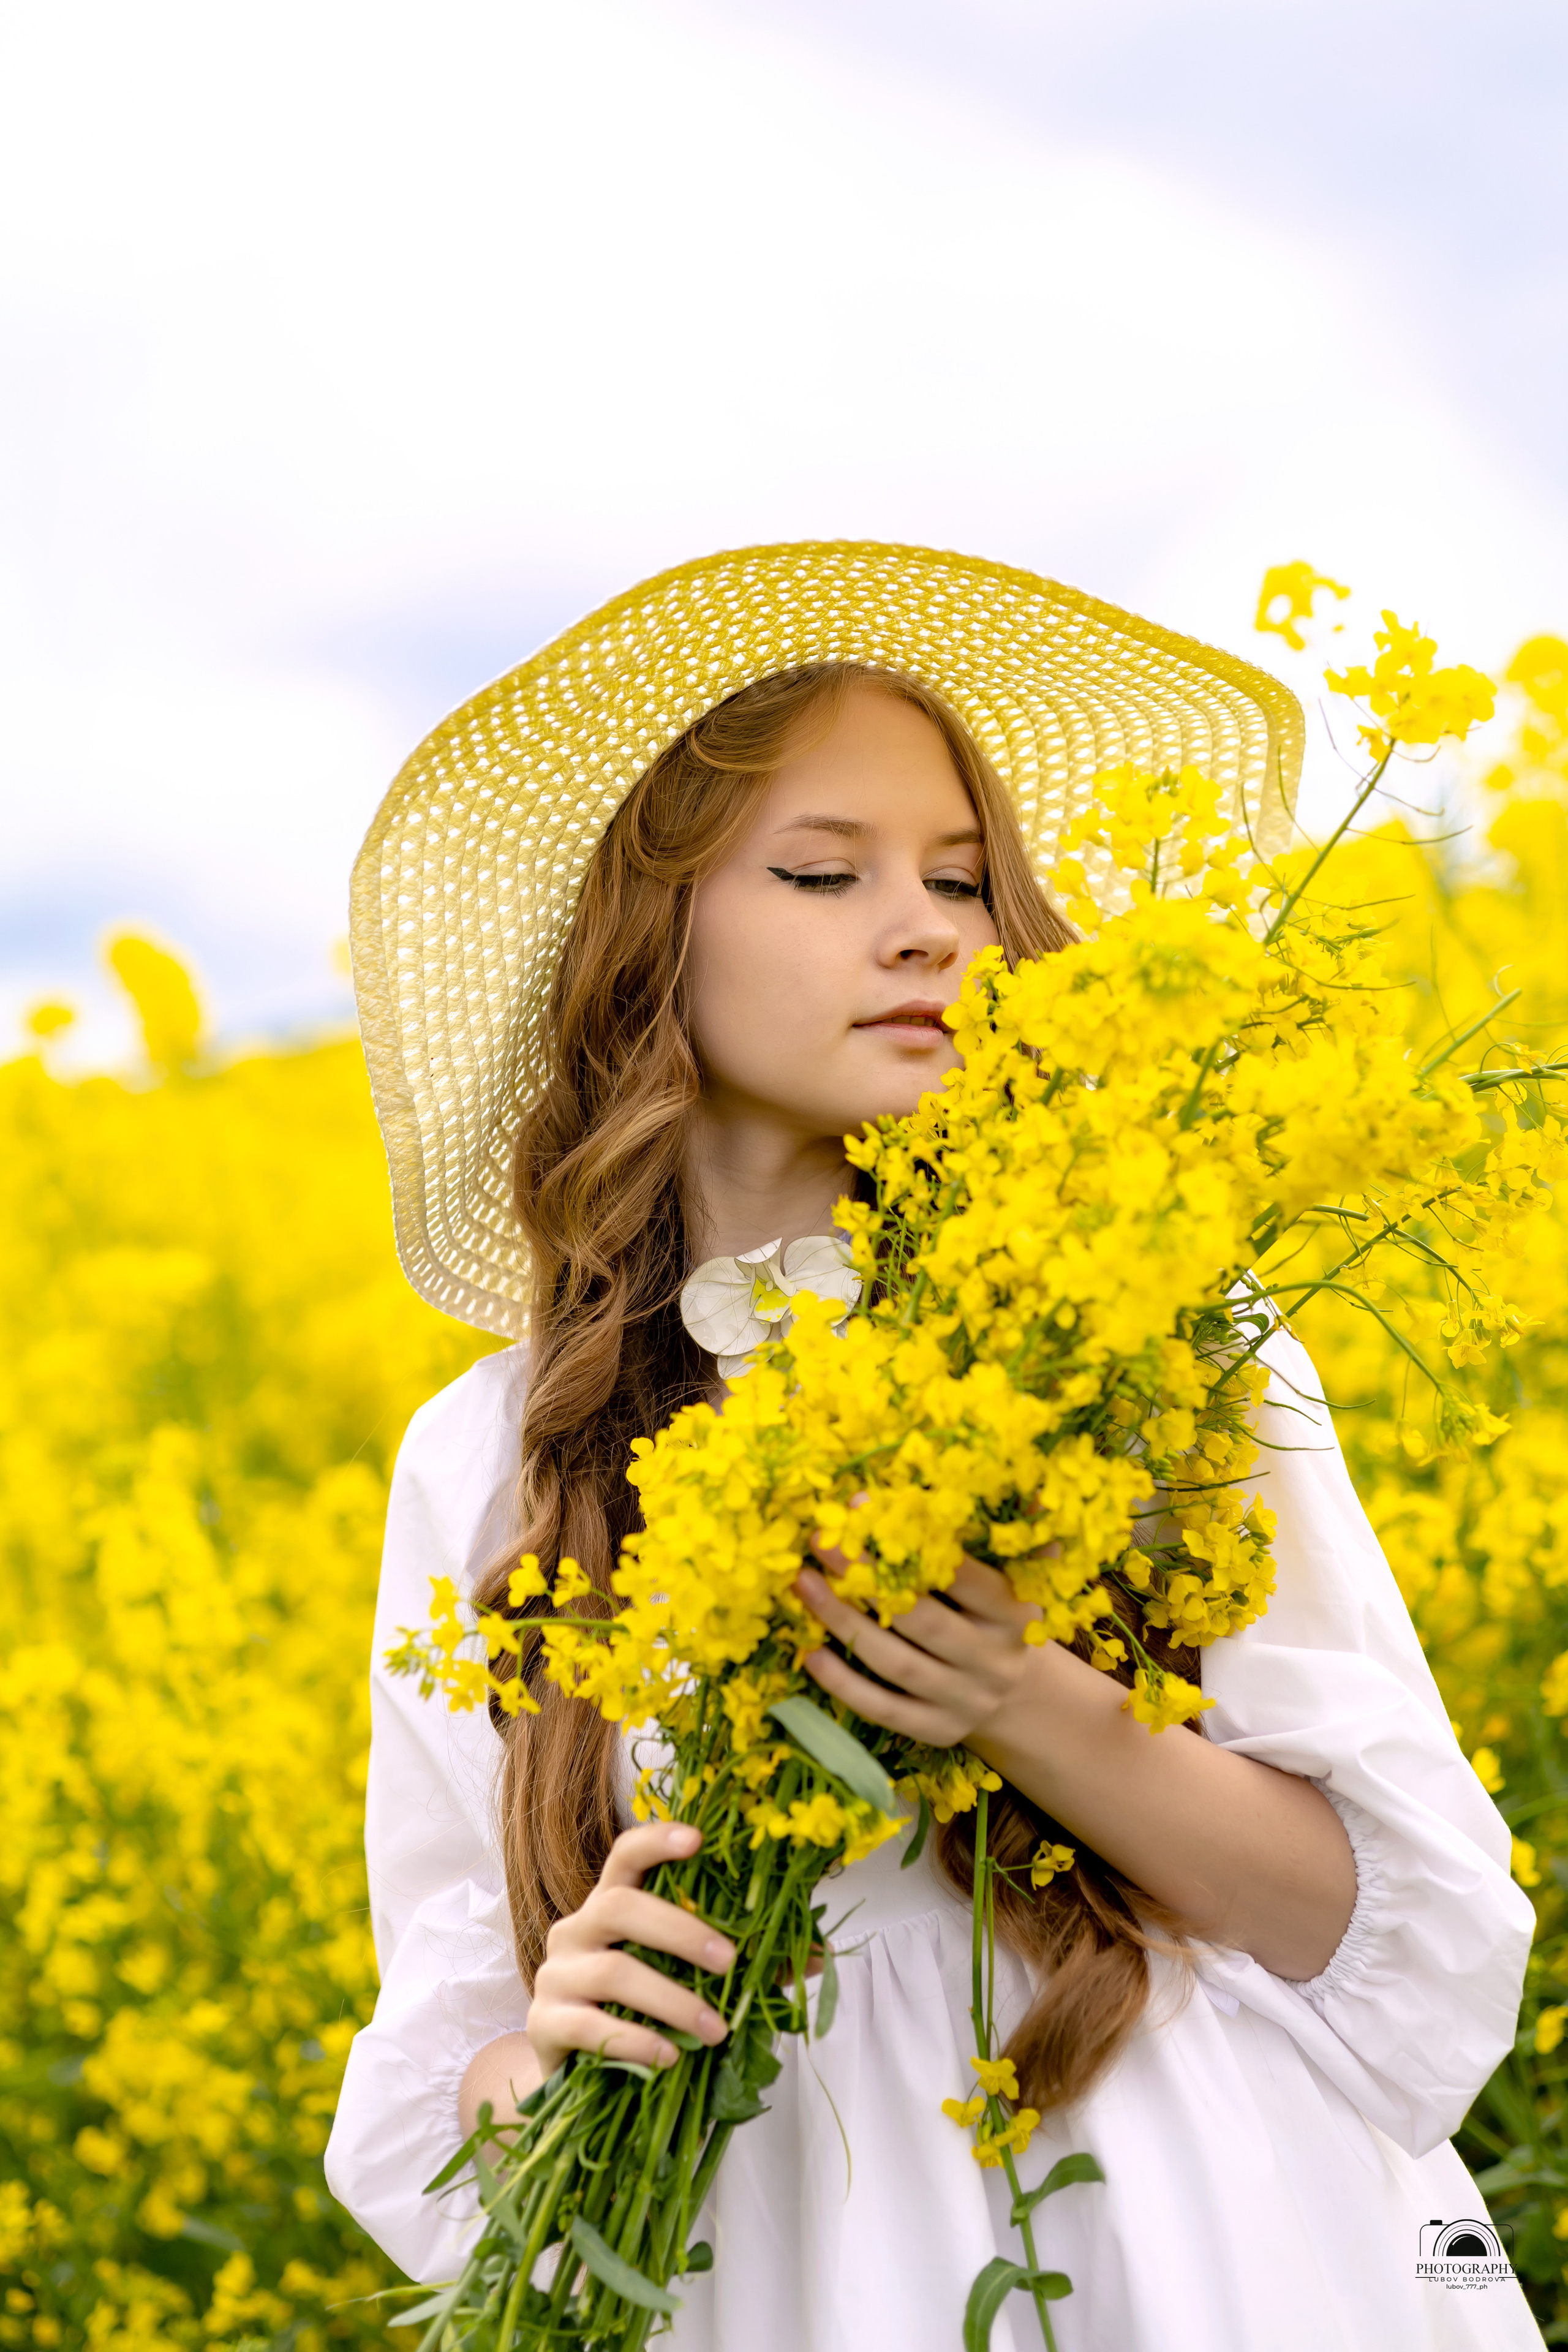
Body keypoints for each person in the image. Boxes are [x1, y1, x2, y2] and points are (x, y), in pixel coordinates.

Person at [325, 543, 1541, 2350]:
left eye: (967, 881)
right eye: (826, 872)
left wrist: (1014, 1694)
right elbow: (453, 2047)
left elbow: (1407, 1949)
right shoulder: (494, 1448)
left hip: (1185, 2234)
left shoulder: (1148, 1329)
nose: (932, 929)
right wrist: (546, 2051)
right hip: (760, 2262)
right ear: (642, 935)